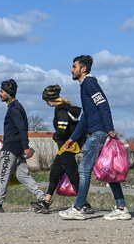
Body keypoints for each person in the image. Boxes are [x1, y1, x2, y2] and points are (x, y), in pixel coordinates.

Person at [59, 55, 131, 221]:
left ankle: (79, 208)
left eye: (74, 67)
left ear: (83, 69)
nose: (71, 70)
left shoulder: (89, 83)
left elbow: (103, 104)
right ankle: (121, 208)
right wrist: (74, 138)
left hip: (97, 132)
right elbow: (85, 116)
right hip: (96, 131)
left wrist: (110, 128)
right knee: (108, 170)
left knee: (84, 170)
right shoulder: (85, 85)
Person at [0, 79, 47, 213]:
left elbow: (22, 128)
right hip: (17, 149)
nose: (0, 94)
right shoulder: (17, 107)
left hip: (11, 149)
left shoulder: (14, 109)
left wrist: (26, 147)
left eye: (2, 91)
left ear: (8, 92)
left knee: (3, 175)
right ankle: (43, 199)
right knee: (23, 176)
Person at [32, 85, 94, 214]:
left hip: (67, 146)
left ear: (50, 100)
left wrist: (56, 136)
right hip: (65, 146)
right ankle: (46, 202)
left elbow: (62, 129)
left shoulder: (60, 109)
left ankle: (85, 204)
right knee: (55, 172)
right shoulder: (66, 107)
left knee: (72, 174)